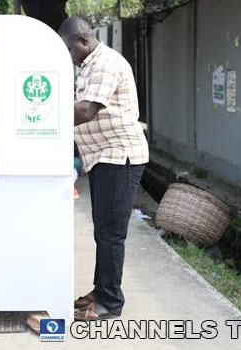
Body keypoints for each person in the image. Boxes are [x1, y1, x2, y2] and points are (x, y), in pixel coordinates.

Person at [59, 17, 149, 320]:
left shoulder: (106, 63)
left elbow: (85, 110)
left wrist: (40, 115)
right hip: (101, 157)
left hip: (119, 156)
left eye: (70, 49)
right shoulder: (87, 66)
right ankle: (101, 289)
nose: (69, 55)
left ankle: (111, 301)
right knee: (103, 230)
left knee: (111, 233)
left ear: (83, 41)